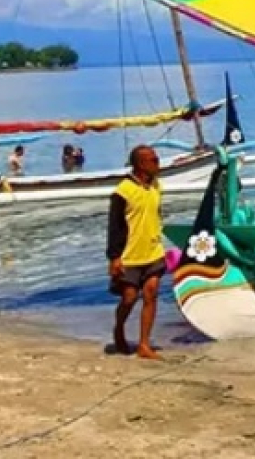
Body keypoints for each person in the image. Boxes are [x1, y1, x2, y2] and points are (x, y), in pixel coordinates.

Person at [106, 144, 165, 359]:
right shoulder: (123, 192)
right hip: (129, 255)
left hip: (153, 251)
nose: (158, 163)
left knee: (151, 293)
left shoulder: (157, 186)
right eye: (154, 160)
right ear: (140, 164)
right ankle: (119, 328)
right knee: (129, 298)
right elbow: (114, 226)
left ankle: (144, 344)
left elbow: (157, 215)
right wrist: (114, 257)